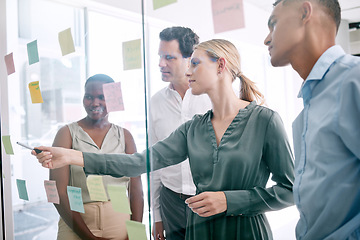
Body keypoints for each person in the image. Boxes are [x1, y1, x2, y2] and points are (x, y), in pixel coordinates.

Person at [35, 39, 295, 240]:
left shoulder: (265, 121)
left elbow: (291, 190)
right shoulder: (192, 129)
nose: (188, 70)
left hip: (246, 230)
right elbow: (136, 163)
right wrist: (70, 156)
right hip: (200, 231)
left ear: (221, 65)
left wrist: (229, 201)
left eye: (195, 63)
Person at [264, 0, 360, 239]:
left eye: (273, 24)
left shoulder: (353, 80)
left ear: (305, 12)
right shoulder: (312, 100)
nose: (266, 39)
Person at [50, 74, 143, 240]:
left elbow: (136, 191)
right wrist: (89, 238)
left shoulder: (125, 136)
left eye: (102, 97)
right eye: (88, 97)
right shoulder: (67, 134)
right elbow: (59, 192)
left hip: (118, 222)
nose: (94, 103)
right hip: (75, 223)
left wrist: (135, 234)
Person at [150, 26, 211, 240]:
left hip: (208, 201)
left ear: (189, 59)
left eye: (169, 57)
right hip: (171, 202)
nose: (160, 64)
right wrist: (156, 215)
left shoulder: (211, 98)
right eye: (160, 56)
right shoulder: (156, 102)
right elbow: (154, 162)